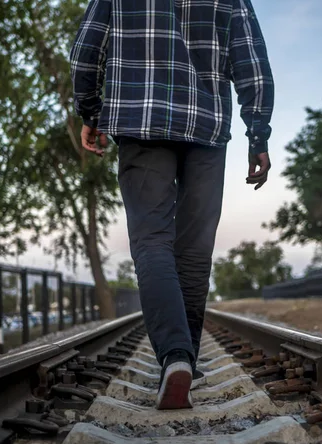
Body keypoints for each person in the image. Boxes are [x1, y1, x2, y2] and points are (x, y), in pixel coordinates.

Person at [69, 0, 274, 410]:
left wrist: (90, 110)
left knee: (151, 241)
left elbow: (87, 50)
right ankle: (186, 361)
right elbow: (250, 61)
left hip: (141, 122)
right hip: (207, 127)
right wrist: (258, 134)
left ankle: (175, 358)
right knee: (195, 250)